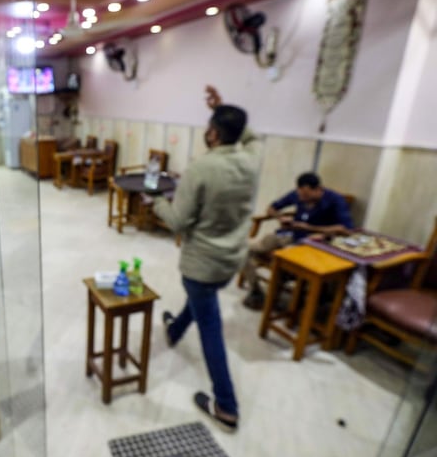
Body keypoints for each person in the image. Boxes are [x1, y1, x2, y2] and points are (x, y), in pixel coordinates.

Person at [151, 85, 261, 432]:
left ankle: (226, 405)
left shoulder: (201, 168)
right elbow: (251, 135)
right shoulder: (252, 159)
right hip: (231, 260)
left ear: (212, 133)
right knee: (203, 301)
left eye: (210, 125)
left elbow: (177, 220)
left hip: (202, 263)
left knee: (210, 325)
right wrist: (224, 108)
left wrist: (155, 203)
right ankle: (175, 328)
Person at [241, 172, 354, 309]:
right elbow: (271, 208)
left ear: (318, 189)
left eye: (306, 196)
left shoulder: (335, 200)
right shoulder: (297, 194)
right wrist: (280, 217)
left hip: (311, 241)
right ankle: (256, 291)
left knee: (282, 258)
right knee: (243, 250)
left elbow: (346, 230)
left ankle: (275, 298)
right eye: (300, 195)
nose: (302, 198)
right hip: (289, 234)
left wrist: (310, 227)